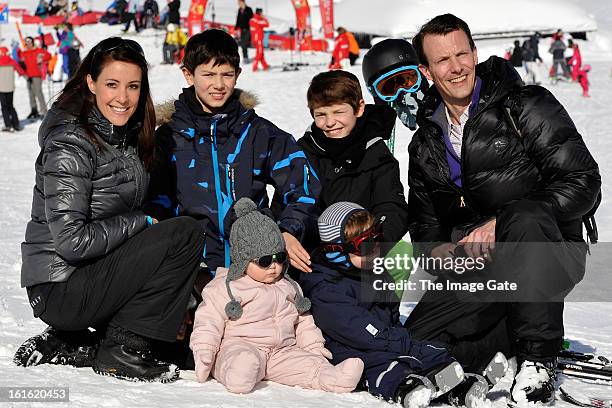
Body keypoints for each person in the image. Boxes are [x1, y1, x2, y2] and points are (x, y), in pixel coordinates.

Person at [406, 14, 600, 403]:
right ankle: (507, 346)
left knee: (523, 216)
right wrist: (442, 253)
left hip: (548, 247)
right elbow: (425, 231)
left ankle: (537, 360)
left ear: (475, 53)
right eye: (442, 60)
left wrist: (502, 222)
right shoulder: (424, 143)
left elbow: (583, 182)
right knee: (419, 340)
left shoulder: (526, 104)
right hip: (482, 265)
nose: (456, 66)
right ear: (426, 70)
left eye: (463, 53)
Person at [12, 37, 206, 383]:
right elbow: (71, 241)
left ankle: (78, 344)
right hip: (59, 287)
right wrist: (142, 221)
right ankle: (121, 350)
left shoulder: (126, 135)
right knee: (184, 233)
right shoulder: (71, 144)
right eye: (112, 85)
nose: (123, 98)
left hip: (91, 276)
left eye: (133, 86)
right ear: (90, 83)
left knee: (180, 349)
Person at [147, 29, 320, 363]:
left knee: (276, 345)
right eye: (208, 74)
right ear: (188, 74)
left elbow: (304, 184)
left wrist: (286, 230)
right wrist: (178, 276)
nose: (218, 84)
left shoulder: (258, 133)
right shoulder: (169, 138)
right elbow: (156, 206)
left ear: (238, 74)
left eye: (226, 74)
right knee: (187, 351)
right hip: (197, 273)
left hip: (257, 271)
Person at [300, 202, 503, 407]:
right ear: (337, 252)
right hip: (350, 349)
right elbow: (359, 331)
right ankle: (406, 388)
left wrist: (401, 338)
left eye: (377, 237)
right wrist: (401, 341)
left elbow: (391, 311)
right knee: (388, 363)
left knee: (429, 351)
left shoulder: (375, 269)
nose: (374, 248)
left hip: (384, 338)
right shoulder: (326, 289)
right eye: (364, 245)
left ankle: (458, 384)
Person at [190, 197, 364, 394]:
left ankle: (330, 377)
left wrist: (314, 347)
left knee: (308, 365)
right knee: (237, 359)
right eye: (264, 261)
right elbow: (208, 321)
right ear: (243, 260)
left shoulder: (288, 285)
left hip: (282, 352)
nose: (274, 266)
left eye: (280, 258)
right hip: (242, 345)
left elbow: (303, 321)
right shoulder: (226, 286)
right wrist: (205, 350)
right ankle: (238, 373)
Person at [298, 70, 409, 243]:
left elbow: (391, 206)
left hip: (364, 245)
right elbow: (289, 204)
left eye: (338, 112)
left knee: (400, 256)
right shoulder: (304, 152)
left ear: (359, 108)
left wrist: (374, 239)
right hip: (316, 251)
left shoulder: (375, 153)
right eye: (321, 114)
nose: (329, 122)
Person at [19, 36, 51, 120]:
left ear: (32, 42)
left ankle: (44, 112)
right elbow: (21, 62)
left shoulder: (38, 51)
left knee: (38, 93)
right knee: (31, 94)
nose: (28, 44)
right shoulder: (24, 53)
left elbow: (48, 55)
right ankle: (34, 110)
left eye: (29, 42)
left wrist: (41, 58)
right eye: (26, 43)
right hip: (28, 76)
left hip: (37, 75)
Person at [0, 46, 25, 132]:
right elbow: (21, 71)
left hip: (1, 88)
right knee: (10, 106)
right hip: (10, 87)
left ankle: (8, 125)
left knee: (4, 107)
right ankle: (16, 124)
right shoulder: (12, 61)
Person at [249, 7, 269, 71]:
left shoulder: (253, 19)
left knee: (261, 52)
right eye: (261, 13)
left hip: (257, 39)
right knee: (259, 53)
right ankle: (255, 67)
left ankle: (265, 66)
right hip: (258, 39)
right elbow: (267, 24)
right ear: (260, 13)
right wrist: (264, 18)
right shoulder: (256, 20)